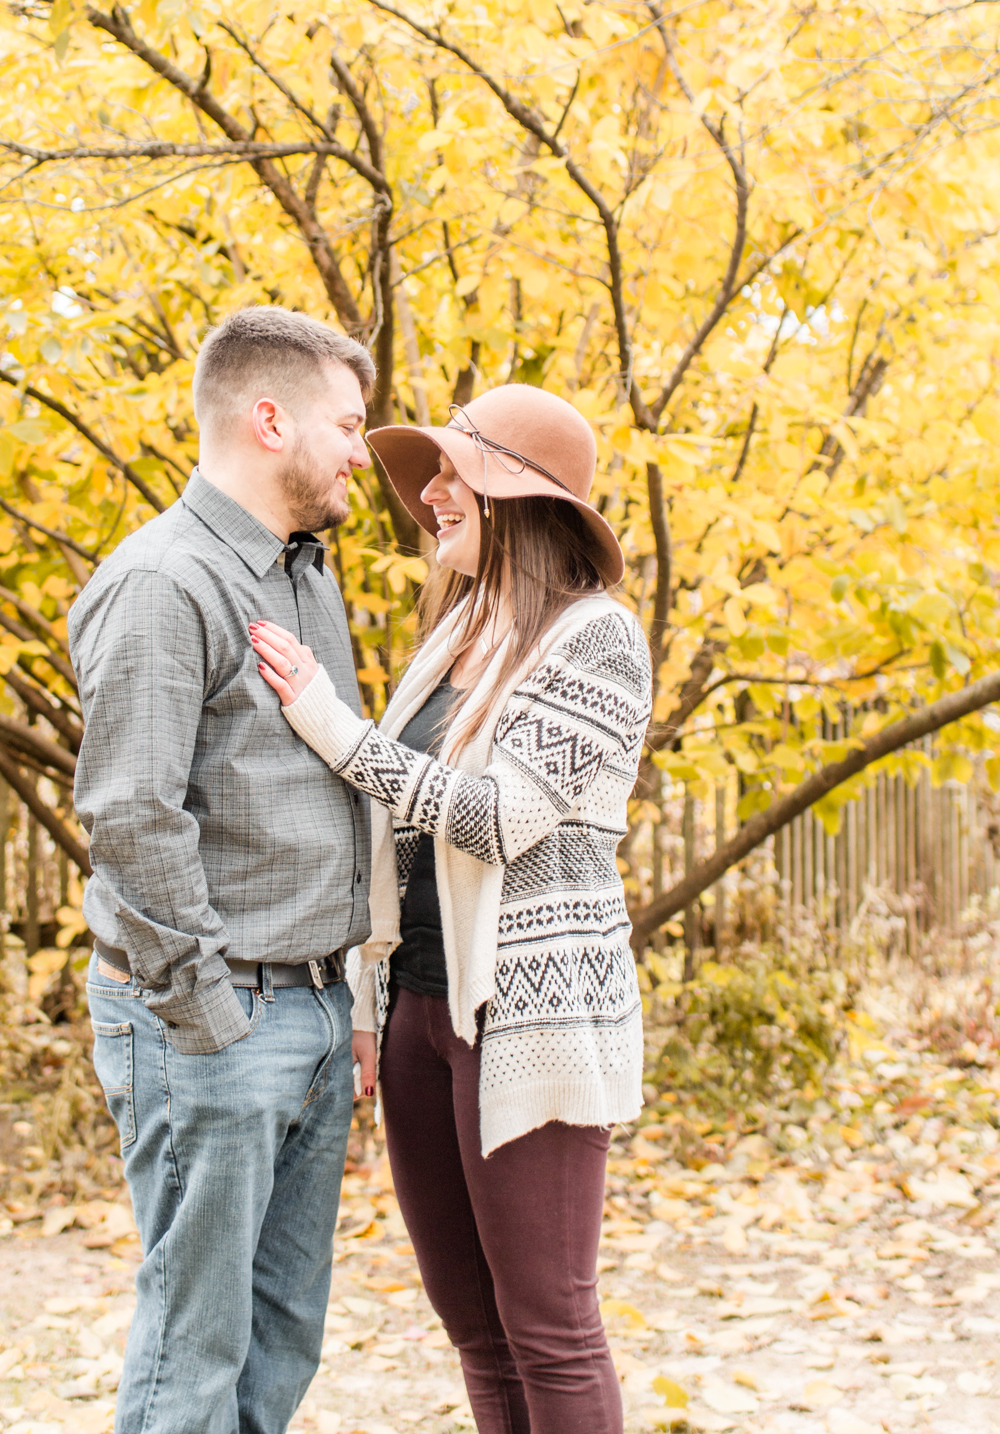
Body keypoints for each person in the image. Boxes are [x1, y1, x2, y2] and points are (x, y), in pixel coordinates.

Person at [250, 384, 653, 1434]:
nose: (427, 493)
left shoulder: (597, 639)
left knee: (549, 1327)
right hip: (424, 1006)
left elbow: (496, 817)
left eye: (451, 473)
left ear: (514, 497)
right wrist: (371, 999)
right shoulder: (460, 630)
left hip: (531, 1013)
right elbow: (402, 840)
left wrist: (331, 725)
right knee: (474, 1325)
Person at [69, 306, 378, 1434]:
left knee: (283, 1328)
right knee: (195, 1341)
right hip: (212, 1015)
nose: (360, 448)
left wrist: (342, 999)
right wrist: (209, 1014)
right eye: (347, 423)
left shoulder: (303, 573)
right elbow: (130, 814)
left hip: (308, 1007)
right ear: (268, 418)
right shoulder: (162, 581)